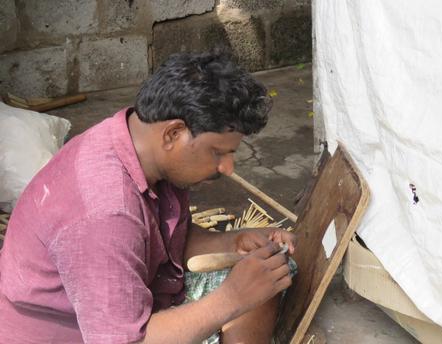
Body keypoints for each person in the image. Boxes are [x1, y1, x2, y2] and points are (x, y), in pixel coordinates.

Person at [0, 50, 297, 344]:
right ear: (173, 134)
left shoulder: (140, 145)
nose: (227, 167)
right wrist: (232, 298)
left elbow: (162, 240)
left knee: (268, 276)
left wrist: (232, 242)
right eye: (217, 152)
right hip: (87, 336)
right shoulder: (105, 213)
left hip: (130, 307)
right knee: (249, 293)